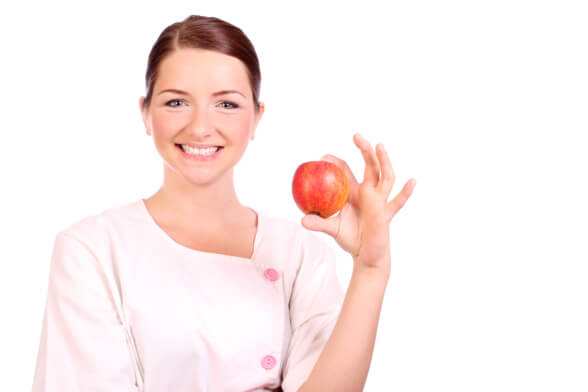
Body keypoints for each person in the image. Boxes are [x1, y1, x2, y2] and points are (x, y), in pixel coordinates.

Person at [31, 14, 416, 392]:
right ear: (145, 113)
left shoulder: (299, 252)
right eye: (176, 102)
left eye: (227, 104)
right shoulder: (92, 250)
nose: (200, 127)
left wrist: (370, 268)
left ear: (256, 118)